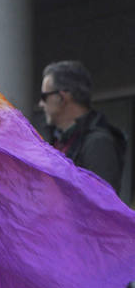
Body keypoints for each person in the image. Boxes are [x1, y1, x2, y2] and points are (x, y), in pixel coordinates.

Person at [39, 60, 127, 192]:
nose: (41, 104)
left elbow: (102, 206)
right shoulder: (56, 140)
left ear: (62, 97)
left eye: (44, 96)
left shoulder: (98, 143)